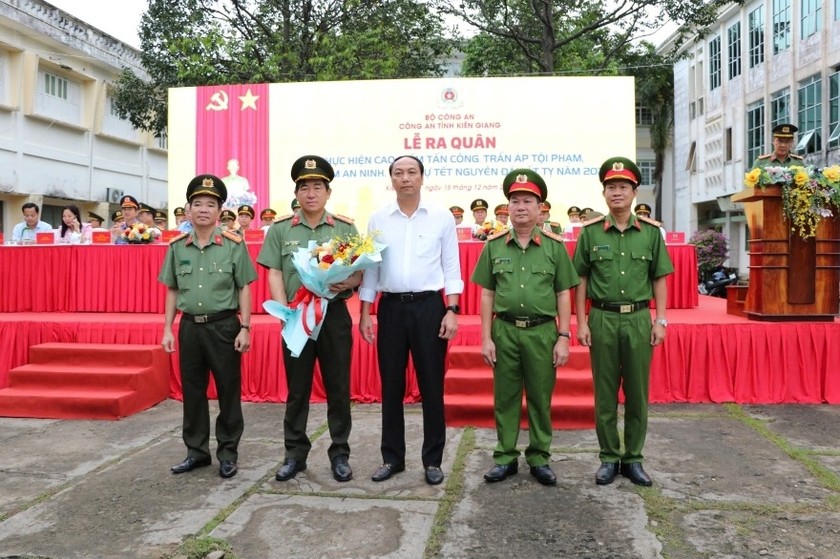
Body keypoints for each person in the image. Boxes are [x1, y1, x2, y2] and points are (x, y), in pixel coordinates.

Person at [359, 155, 463, 486]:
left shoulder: (441, 217)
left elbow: (451, 266)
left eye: (412, 172)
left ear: (422, 178)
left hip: (429, 308)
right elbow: (372, 268)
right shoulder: (378, 218)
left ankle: (432, 460)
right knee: (391, 386)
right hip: (390, 309)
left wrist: (452, 309)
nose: (405, 178)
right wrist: (365, 312)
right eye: (399, 173)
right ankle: (392, 458)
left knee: (432, 386)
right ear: (391, 179)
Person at [471, 169, 580, 486]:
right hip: (504, 331)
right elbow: (487, 294)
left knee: (540, 397)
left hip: (542, 332)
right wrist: (485, 337)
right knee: (504, 398)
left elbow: (563, 293)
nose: (520, 206)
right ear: (508, 207)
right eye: (515, 200)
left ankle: (539, 457)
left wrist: (563, 337)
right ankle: (505, 457)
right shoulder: (493, 246)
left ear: (539, 207)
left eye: (527, 201)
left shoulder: (554, 246)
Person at [257, 155, 361, 483]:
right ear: (297, 194)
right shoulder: (280, 229)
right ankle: (294, 455)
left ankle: (340, 453)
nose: (311, 193)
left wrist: (350, 281)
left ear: (328, 192)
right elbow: (274, 271)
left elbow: (361, 271)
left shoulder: (344, 227)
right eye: (304, 187)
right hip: (296, 317)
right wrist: (283, 311)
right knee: (298, 389)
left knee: (338, 387)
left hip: (334, 317)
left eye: (317, 186)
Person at [572, 156, 674, 487]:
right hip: (601, 318)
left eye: (624, 187)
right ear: (604, 193)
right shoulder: (589, 233)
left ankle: (633, 458)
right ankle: (608, 457)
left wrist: (661, 320)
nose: (617, 192)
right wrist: (582, 321)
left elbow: (659, 278)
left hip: (638, 320)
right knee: (604, 393)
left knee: (637, 393)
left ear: (634, 193)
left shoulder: (651, 233)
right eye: (611, 187)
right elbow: (581, 280)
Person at [159, 174, 257, 480]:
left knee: (228, 391)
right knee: (193, 392)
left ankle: (227, 454)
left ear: (219, 211)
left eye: (210, 204)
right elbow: (172, 290)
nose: (203, 209)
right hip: (190, 328)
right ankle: (196, 452)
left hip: (224, 327)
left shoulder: (232, 245)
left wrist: (246, 327)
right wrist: (167, 329)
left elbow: (244, 287)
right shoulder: (177, 247)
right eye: (197, 203)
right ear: (188, 210)